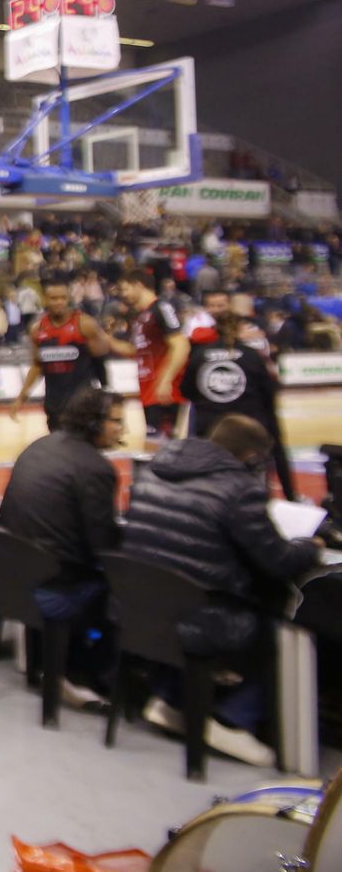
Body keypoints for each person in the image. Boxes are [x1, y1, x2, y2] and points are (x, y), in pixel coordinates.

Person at [121, 415, 325, 766]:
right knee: (274, 620)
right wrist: (311, 546)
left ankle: (169, 696)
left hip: (142, 608)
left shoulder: (156, 468)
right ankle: (232, 718)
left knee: (186, 589)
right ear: (249, 456)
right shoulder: (239, 488)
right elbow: (277, 561)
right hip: (199, 619)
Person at [0, 388, 126, 705]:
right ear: (94, 422)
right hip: (56, 583)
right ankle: (95, 677)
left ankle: (58, 667)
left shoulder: (38, 447)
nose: (122, 430)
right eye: (116, 422)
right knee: (129, 594)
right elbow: (104, 545)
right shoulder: (95, 468)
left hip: (16, 578)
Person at [181, 311, 293, 500]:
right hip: (249, 436)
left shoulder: (200, 355)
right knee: (252, 492)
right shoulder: (253, 356)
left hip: (211, 434)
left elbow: (187, 391)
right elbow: (269, 393)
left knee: (211, 493)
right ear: (240, 328)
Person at [11, 275, 110, 431]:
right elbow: (37, 366)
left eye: (63, 298)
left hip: (81, 402)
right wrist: (21, 398)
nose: (59, 302)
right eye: (53, 298)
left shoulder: (85, 324)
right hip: (53, 402)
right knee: (58, 449)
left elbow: (100, 362)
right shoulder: (37, 330)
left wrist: (107, 394)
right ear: (44, 299)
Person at [109, 267, 190, 439]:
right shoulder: (140, 317)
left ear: (138, 285)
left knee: (163, 447)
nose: (123, 294)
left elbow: (181, 344)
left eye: (125, 289)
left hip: (163, 392)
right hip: (148, 391)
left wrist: (166, 380)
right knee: (156, 445)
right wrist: (104, 337)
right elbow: (132, 350)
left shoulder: (161, 307)